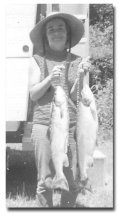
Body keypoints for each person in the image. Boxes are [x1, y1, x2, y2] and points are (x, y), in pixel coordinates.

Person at [29, 11, 89, 207]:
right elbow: (33, 94)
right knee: (44, 180)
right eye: (51, 29)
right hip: (42, 126)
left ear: (68, 33)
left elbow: (74, 96)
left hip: (70, 127)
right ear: (46, 35)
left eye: (60, 28)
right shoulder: (37, 59)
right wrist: (49, 80)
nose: (56, 32)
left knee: (71, 182)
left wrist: (80, 77)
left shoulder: (77, 61)